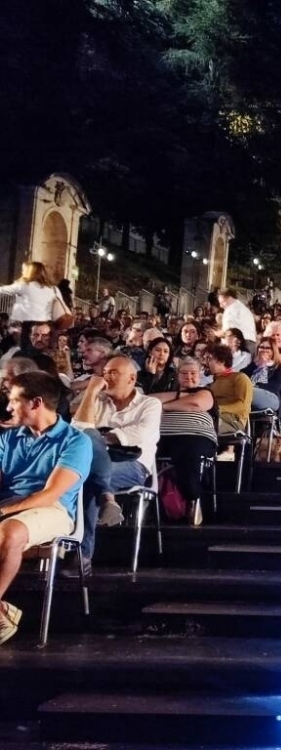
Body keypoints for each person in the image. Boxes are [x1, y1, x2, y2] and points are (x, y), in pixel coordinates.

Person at [0, 371, 93, 644]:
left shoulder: (76, 441)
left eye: (14, 400)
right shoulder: (9, 438)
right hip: (9, 505)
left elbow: (50, 493)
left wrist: (4, 511)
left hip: (54, 510)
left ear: (36, 403)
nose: (8, 407)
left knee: (11, 531)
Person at [71, 356, 162, 571]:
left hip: (133, 464)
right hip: (97, 463)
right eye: (104, 373)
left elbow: (141, 434)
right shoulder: (98, 401)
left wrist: (98, 437)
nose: (106, 377)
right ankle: (107, 498)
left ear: (131, 378)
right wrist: (91, 393)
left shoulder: (150, 404)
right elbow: (76, 430)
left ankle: (82, 556)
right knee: (89, 474)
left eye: (113, 373)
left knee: (89, 471)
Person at [150, 358, 218, 524]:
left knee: (187, 449)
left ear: (200, 375)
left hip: (196, 435)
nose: (189, 377)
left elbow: (196, 403)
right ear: (177, 375)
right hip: (163, 437)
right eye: (184, 373)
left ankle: (193, 498)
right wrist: (180, 398)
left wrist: (164, 405)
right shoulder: (166, 390)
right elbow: (149, 400)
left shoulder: (206, 391)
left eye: (193, 373)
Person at [0, 261, 62, 350]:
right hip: (48, 327)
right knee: (45, 354)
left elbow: (2, 290)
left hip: (30, 327)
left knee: (28, 353)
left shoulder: (24, 285)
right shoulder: (54, 289)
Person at [217, 289, 257, 356]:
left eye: (222, 302)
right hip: (252, 344)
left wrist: (217, 333)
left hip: (240, 344)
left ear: (229, 298)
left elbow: (229, 331)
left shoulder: (229, 310)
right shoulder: (245, 309)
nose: (221, 306)